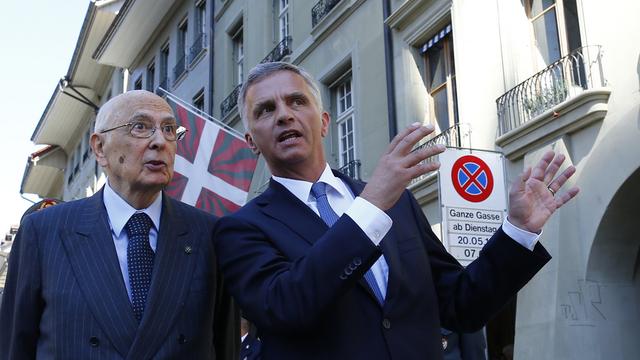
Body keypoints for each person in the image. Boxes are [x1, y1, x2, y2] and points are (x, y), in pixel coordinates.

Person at [213, 62, 579, 359]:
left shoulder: (397, 201)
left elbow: (461, 305)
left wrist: (517, 231)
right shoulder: (240, 229)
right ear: (251, 143)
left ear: (324, 122)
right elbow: (287, 306)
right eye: (265, 110)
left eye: (296, 102)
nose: (283, 115)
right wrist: (371, 206)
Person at [0, 90, 239, 359]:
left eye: (169, 129)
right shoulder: (43, 232)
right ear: (100, 148)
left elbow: (225, 347)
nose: (160, 141)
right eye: (141, 127)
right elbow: (14, 347)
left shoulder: (208, 235)